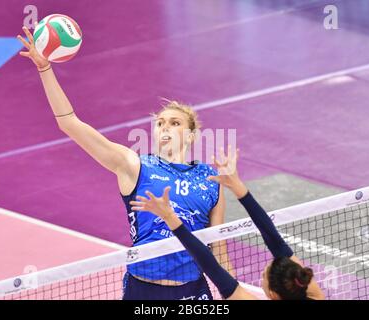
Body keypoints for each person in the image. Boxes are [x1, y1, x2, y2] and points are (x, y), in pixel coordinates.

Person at [17, 25, 231, 300]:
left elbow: (220, 249)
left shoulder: (210, 179)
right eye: (160, 123)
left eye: (174, 123)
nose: (164, 127)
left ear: (190, 134)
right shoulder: (135, 166)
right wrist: (45, 69)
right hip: (143, 291)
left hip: (193, 292)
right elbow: (70, 123)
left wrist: (233, 296)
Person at [130, 146, 325, 300]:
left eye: (263, 277)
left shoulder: (308, 288)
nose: (262, 277)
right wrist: (238, 187)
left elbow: (208, 262)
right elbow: (275, 241)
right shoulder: (313, 295)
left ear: (273, 294)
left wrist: (170, 218)